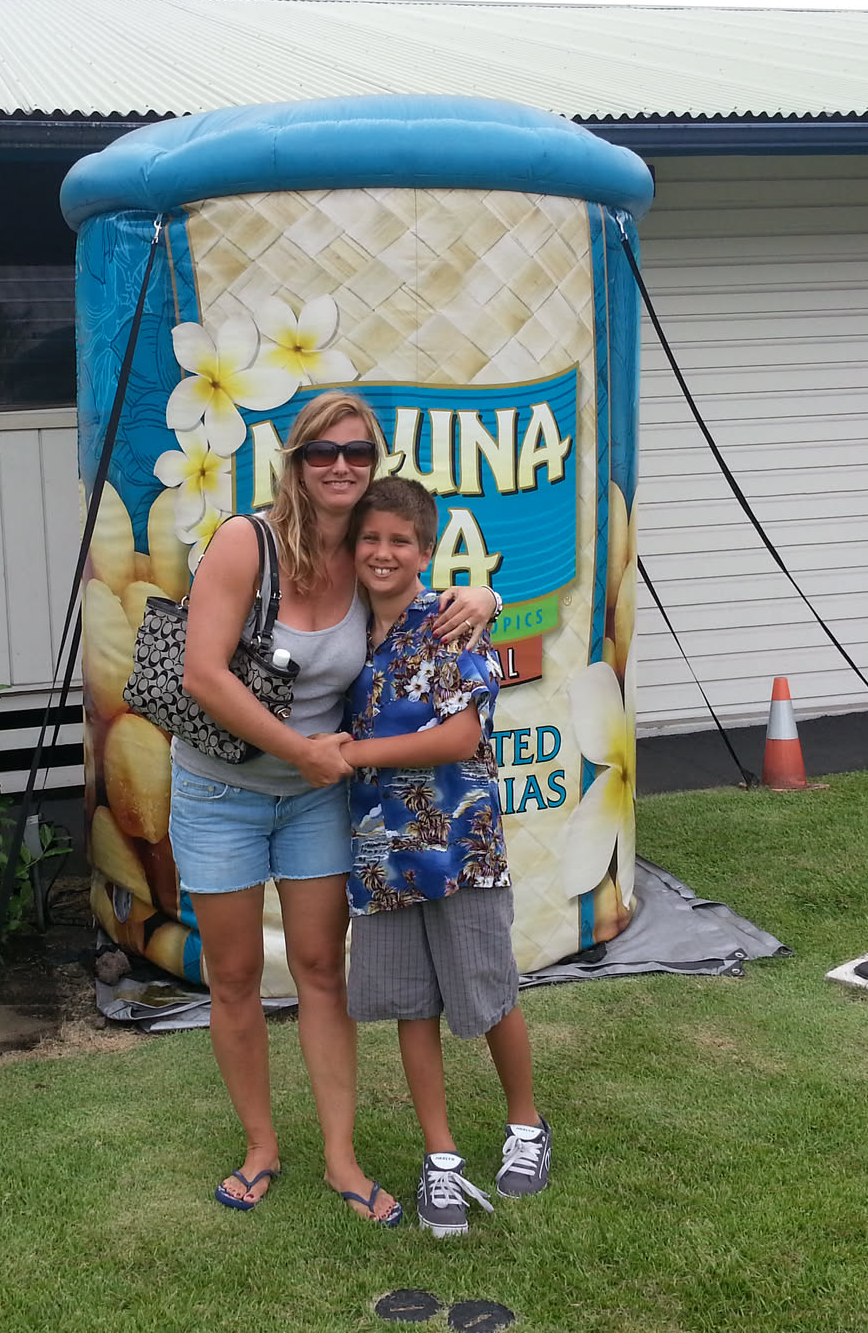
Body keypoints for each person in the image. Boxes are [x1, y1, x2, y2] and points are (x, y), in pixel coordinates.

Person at [175, 390, 500, 1224]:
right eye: (323, 452)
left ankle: (341, 1158)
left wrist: (485, 598)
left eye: (357, 452)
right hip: (221, 792)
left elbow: (421, 589)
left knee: (322, 972)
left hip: (318, 798)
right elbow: (202, 674)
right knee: (235, 977)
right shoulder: (246, 543)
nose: (341, 466)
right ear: (296, 461)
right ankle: (260, 1147)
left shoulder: (364, 550)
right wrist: (302, 750)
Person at [337, 476, 549, 1238]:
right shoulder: (342, 627)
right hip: (381, 850)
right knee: (411, 1004)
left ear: (425, 551)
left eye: (399, 541)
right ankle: (441, 1156)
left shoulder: (452, 621)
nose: (383, 553)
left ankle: (526, 1124)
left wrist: (351, 753)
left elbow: (461, 736)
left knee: (489, 991)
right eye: (370, 538)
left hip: (461, 849)